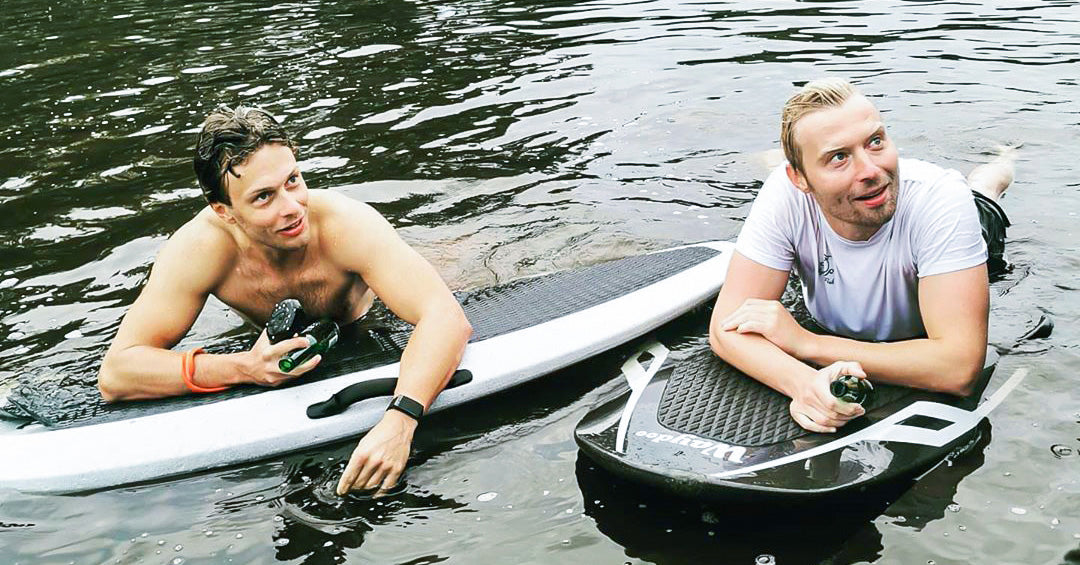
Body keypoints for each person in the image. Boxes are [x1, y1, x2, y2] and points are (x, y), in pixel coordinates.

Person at [97, 106, 472, 496]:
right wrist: (244, 367)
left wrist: (400, 421)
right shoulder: (198, 251)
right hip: (272, 347)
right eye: (263, 197)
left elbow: (446, 317)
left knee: (456, 267)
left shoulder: (346, 225)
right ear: (224, 211)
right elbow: (117, 374)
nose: (291, 207)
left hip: (370, 318)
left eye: (292, 180)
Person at [709, 78, 1014, 434]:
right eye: (839, 156)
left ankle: (1000, 165)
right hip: (814, 195)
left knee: (983, 192)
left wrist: (806, 343)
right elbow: (725, 327)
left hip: (961, 230)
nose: (871, 170)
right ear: (800, 179)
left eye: (876, 142)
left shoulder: (942, 201)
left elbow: (959, 368)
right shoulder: (784, 192)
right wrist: (803, 384)